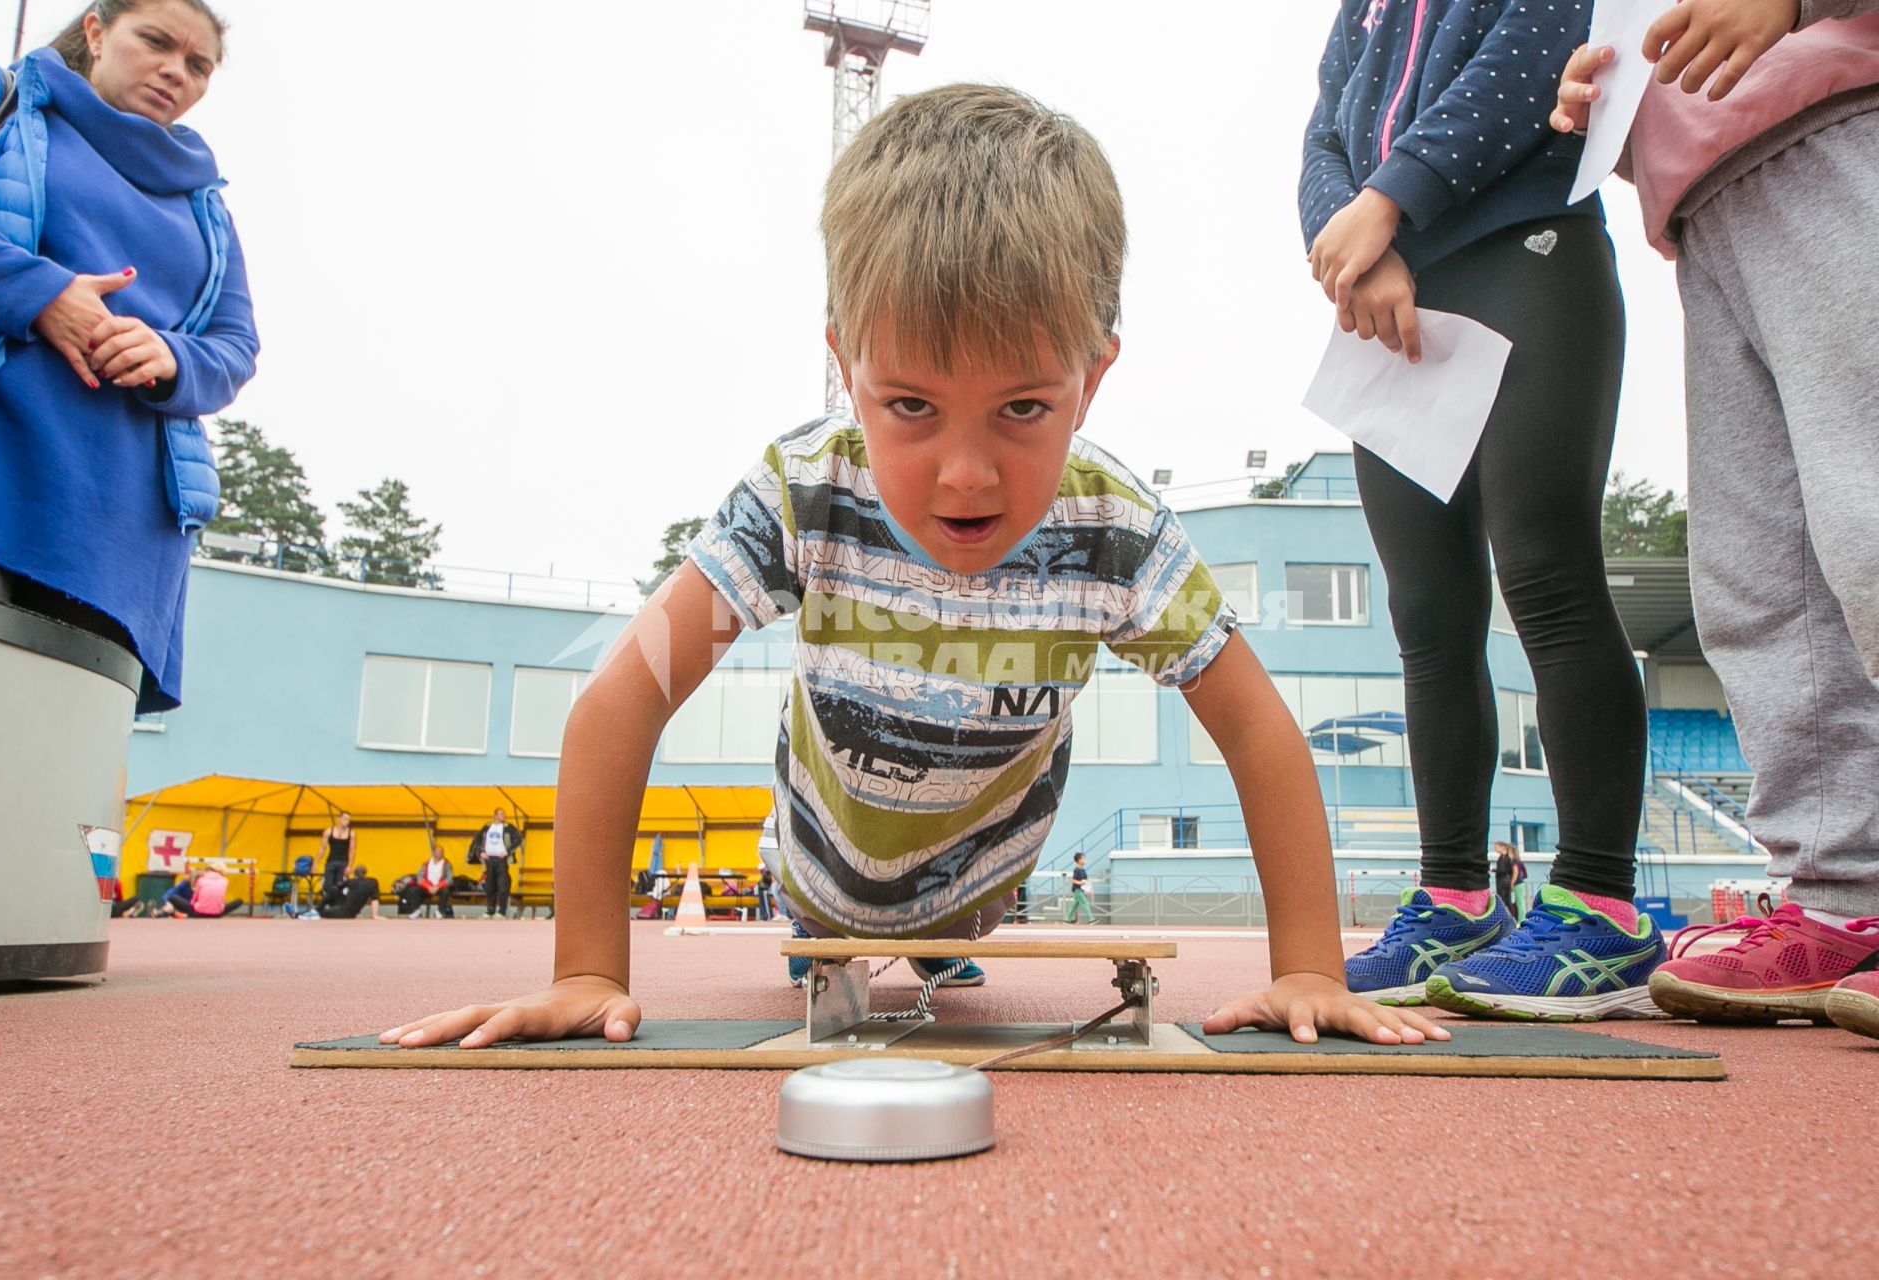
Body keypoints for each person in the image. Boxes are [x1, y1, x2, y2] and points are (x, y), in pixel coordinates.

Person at [382, 84, 1448, 1054]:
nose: (966, 475)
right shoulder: (807, 495)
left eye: (1023, 408)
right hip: (814, 879)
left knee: (951, 945)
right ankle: (867, 932)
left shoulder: (1112, 530)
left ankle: (943, 940)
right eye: (911, 407)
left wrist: (1309, 966)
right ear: (845, 367)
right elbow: (622, 701)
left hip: (982, 887)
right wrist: (585, 969)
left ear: (1093, 378)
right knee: (830, 936)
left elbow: (1259, 727)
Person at [1302, 2, 1666, 1019]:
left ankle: (1600, 899)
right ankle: (1456, 895)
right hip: (1394, 292)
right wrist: (1354, 246)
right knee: (1426, 614)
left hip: (1526, 244)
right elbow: (1324, 128)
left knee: (1547, 574)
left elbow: (1524, 63)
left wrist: (1390, 199)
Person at [1552, 0, 1879, 1021]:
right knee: (1757, 575)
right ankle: (1843, 898)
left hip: (1845, 122)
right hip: (1707, 203)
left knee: (1870, 516)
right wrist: (1613, 115)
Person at [0, 0, 258, 710]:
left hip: (123, 544)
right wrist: (41, 293)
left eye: (197, 65)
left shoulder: (206, 206)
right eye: (155, 42)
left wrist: (172, 356)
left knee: (42, 788)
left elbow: (236, 347)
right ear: (96, 30)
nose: (174, 72)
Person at [468, 807, 523, 919]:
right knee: (490, 885)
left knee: (503, 885)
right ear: (495, 815)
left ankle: (501, 911)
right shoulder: (488, 827)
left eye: (504, 813)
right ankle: (490, 910)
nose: (503, 816)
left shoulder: (508, 827)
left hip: (501, 860)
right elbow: (477, 839)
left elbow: (518, 839)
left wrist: (507, 851)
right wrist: (480, 852)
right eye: (501, 814)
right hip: (489, 860)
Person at [401, 843, 454, 918]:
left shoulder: (447, 865)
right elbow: (419, 878)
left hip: (439, 887)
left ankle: (440, 911)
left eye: (441, 851)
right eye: (438, 851)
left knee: (445, 891)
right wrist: (429, 887)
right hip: (427, 886)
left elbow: (449, 879)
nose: (440, 853)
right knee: (413, 890)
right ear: (433, 853)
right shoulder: (425, 864)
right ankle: (415, 910)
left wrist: (437, 887)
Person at [316, 812, 355, 907]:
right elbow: (322, 848)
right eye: (345, 819)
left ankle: (339, 906)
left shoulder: (351, 833)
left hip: (343, 862)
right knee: (327, 885)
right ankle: (327, 905)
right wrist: (315, 862)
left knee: (341, 885)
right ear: (339, 819)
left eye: (349, 820)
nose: (347, 822)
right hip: (331, 861)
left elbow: (352, 850)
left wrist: (349, 866)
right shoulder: (329, 831)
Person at [1492, 843, 1528, 923]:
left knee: (1519, 902)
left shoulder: (1513, 860)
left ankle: (1521, 920)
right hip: (1517, 883)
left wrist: (1512, 883)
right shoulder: (1513, 859)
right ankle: (1518, 918)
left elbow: (1515, 871)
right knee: (1517, 901)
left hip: (1517, 883)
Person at [1064, 853, 1096, 925]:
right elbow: (1073, 880)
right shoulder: (1077, 870)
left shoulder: (1083, 870)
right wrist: (1081, 883)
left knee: (1074, 905)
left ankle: (1067, 919)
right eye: (1083, 858)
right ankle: (1091, 918)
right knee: (1084, 903)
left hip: (1081, 890)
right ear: (1079, 860)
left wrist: (1090, 888)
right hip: (1077, 890)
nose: (1085, 860)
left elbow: (1087, 879)